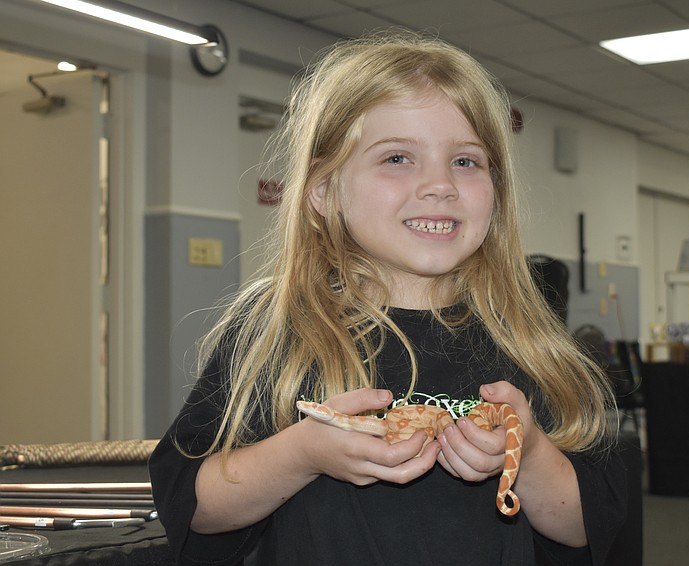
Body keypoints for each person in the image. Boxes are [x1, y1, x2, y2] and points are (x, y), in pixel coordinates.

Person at [149, 31, 627, 565]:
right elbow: (193, 507)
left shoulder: (528, 340)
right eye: (398, 157)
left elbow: (589, 527)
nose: (439, 185)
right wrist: (304, 453)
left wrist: (528, 453)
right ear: (325, 193)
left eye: (466, 162)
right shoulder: (277, 329)